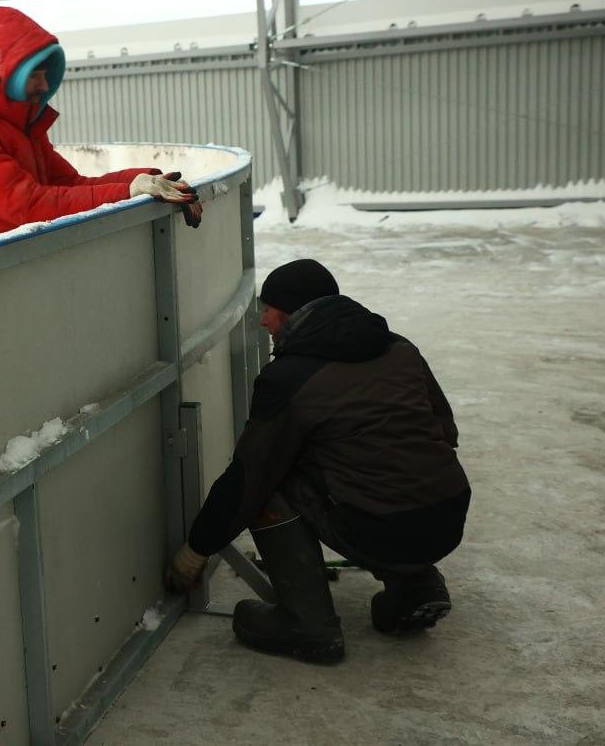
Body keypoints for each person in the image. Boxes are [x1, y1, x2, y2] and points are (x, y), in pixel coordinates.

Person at [166, 259, 471, 663]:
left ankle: (306, 623)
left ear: (291, 314)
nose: (263, 322)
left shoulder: (290, 379)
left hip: (379, 527)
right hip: (447, 514)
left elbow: (246, 480)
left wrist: (196, 549)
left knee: (271, 480)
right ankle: (415, 583)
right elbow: (443, 431)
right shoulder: (398, 346)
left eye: (268, 310)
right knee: (377, 468)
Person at [0, 6, 201, 253]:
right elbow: (28, 205)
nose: (44, 86)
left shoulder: (23, 128)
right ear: (2, 74)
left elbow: (72, 186)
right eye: (34, 75)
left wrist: (147, 181)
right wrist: (128, 191)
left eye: (46, 75)